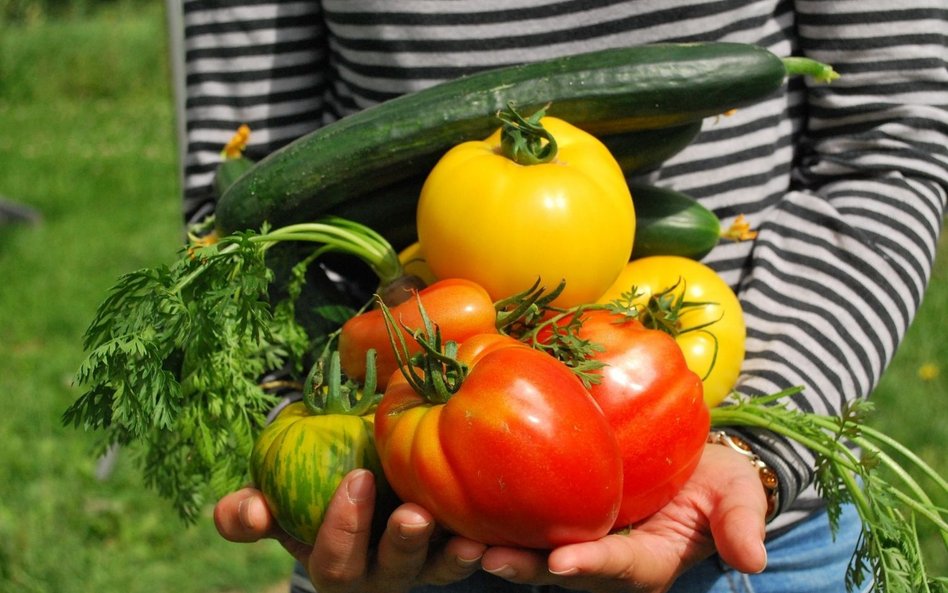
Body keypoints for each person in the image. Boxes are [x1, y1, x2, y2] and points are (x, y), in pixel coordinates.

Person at [175, 1, 948, 592]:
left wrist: (759, 446)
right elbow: (239, 208)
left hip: (746, 525)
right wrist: (302, 436)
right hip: (396, 500)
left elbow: (888, 145)